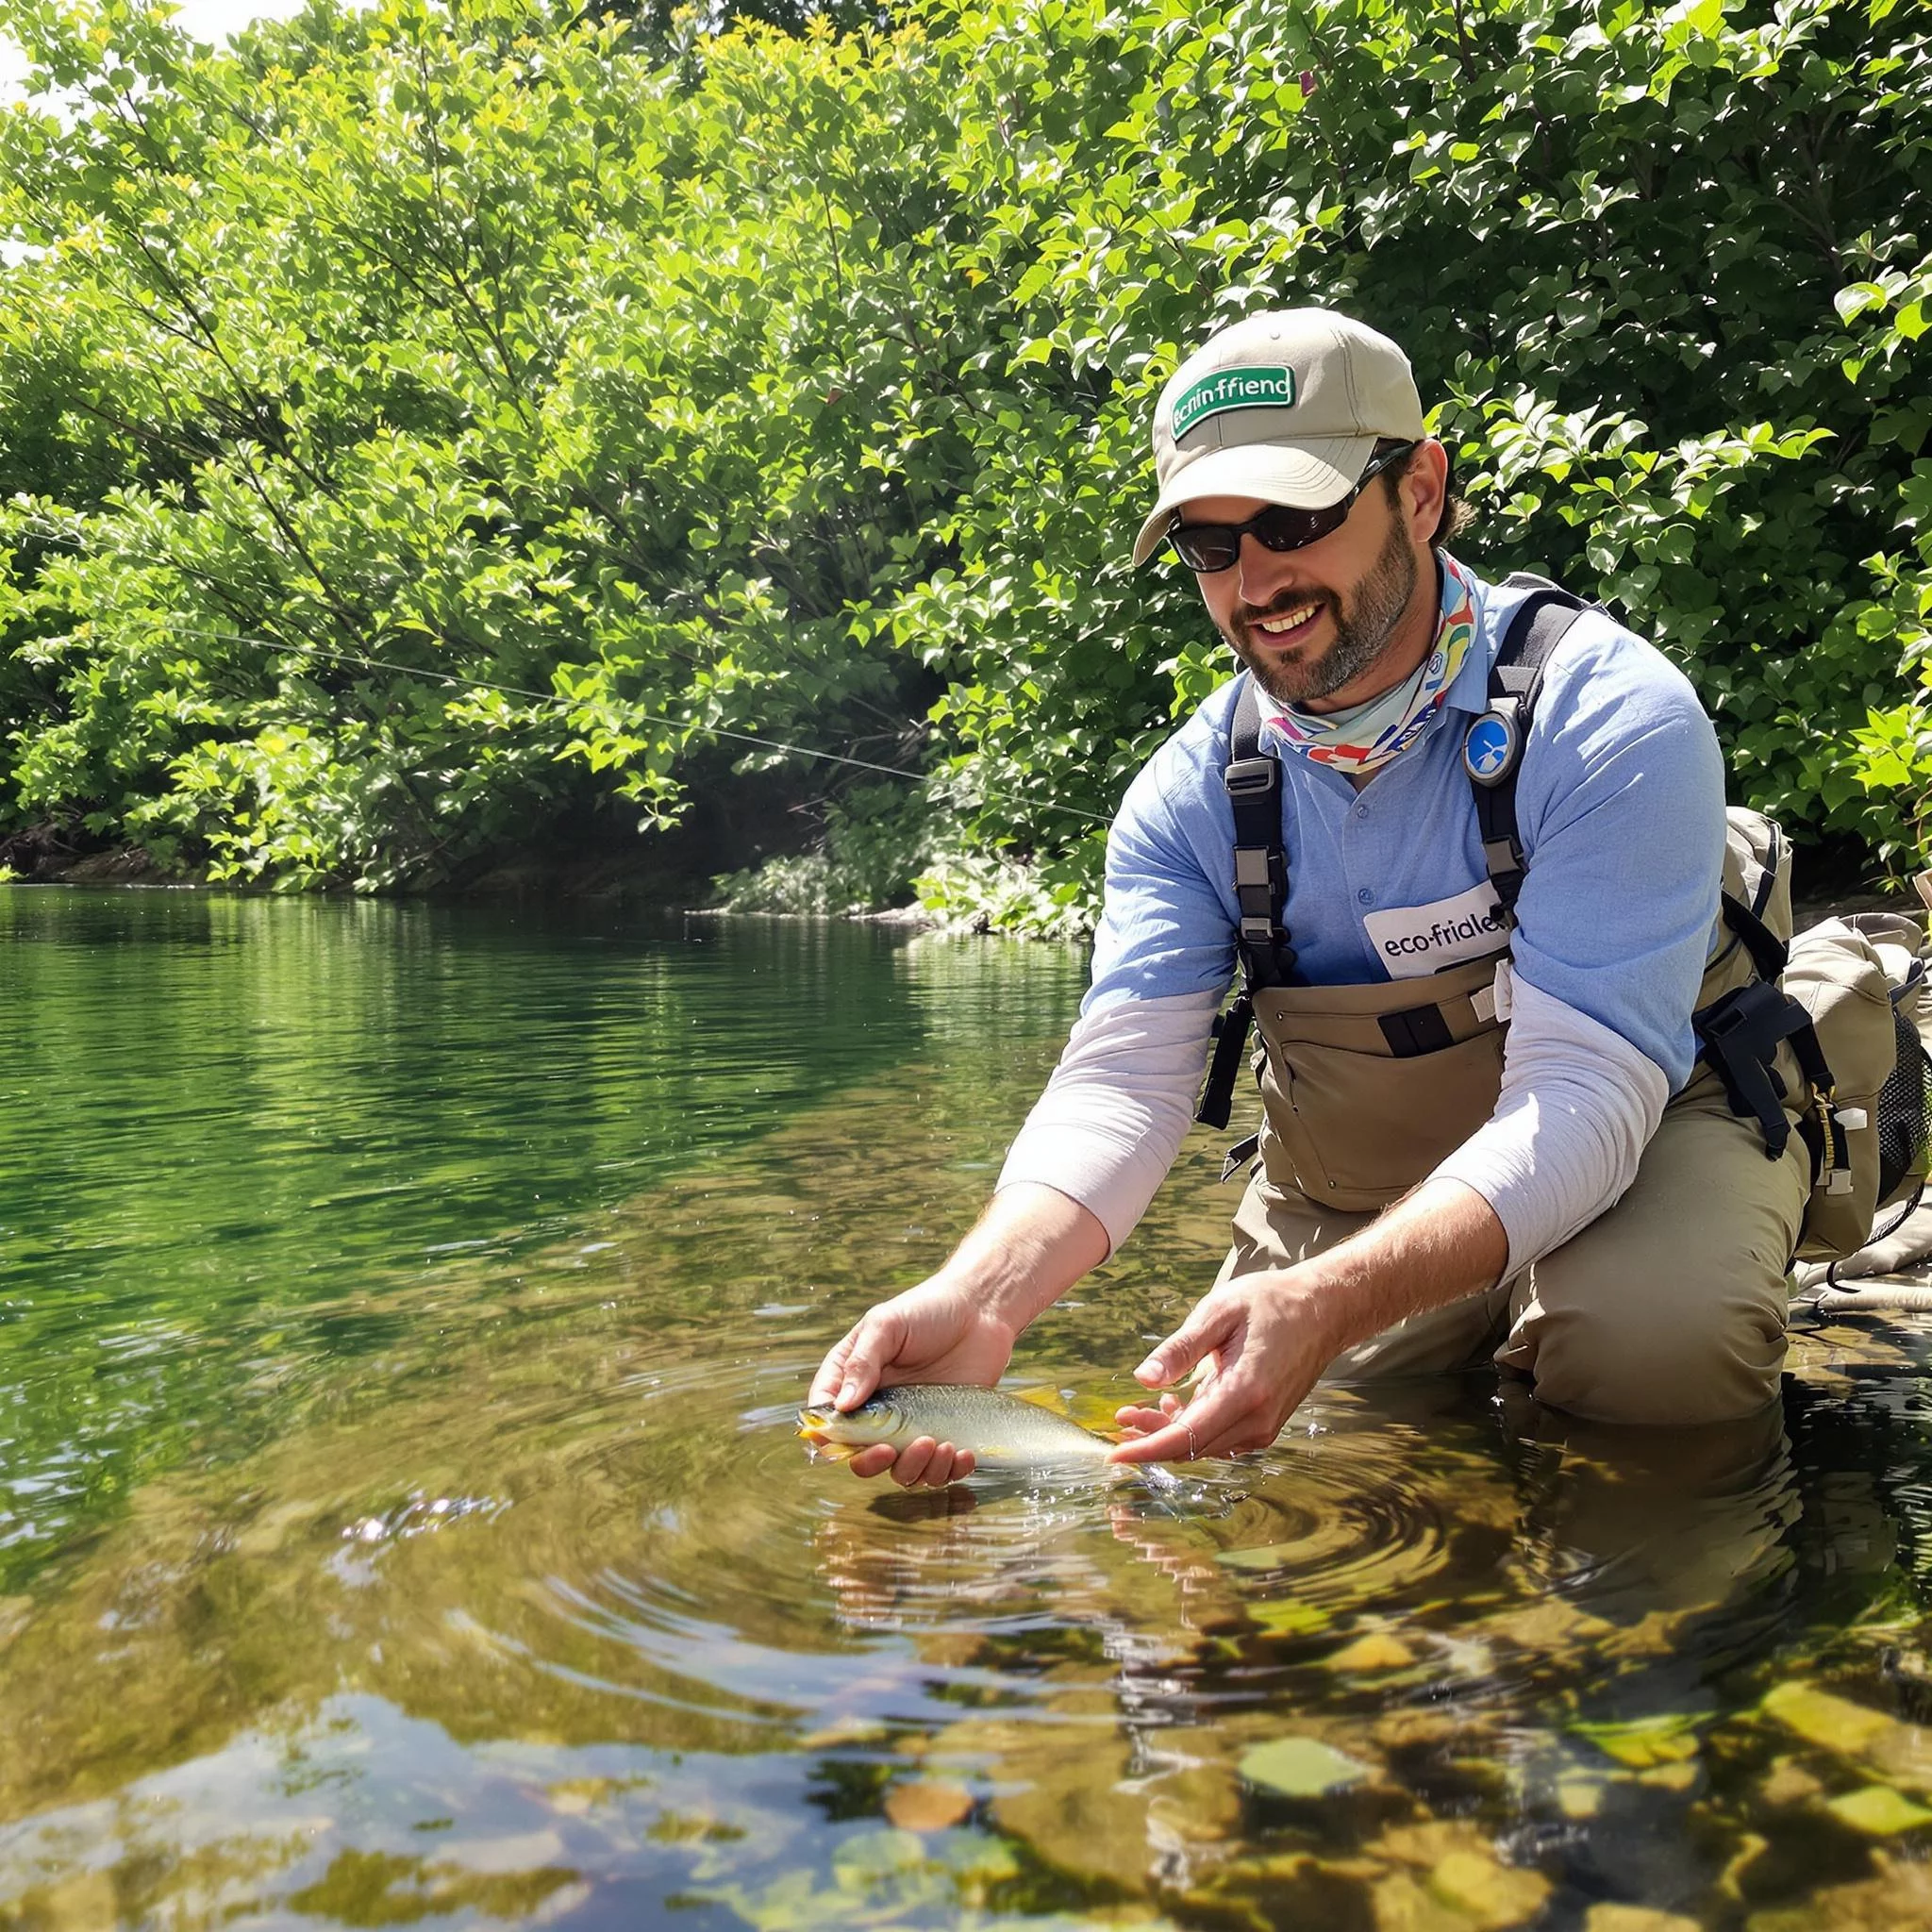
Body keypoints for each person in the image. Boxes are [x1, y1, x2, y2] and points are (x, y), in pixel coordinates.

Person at [809, 308, 1812, 1489]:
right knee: (1251, 1449)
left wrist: (1333, 1293)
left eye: (1295, 518)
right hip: (1366, 1162)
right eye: (1207, 543)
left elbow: (1587, 1091)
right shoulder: (1191, 794)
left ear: (1422, 490)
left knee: (1655, 1358)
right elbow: (1125, 1078)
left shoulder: (1607, 715)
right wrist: (979, 1296)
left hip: (1651, 1117)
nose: (1256, 579)